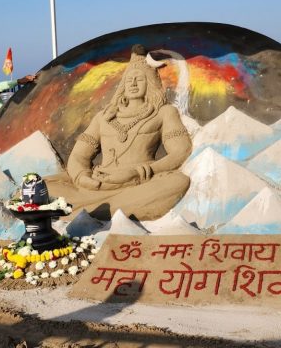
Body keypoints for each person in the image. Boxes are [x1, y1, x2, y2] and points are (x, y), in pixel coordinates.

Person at [47, 44, 192, 220]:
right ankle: (107, 210)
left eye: (139, 79)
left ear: (150, 82)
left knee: (177, 182)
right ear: (123, 84)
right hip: (98, 184)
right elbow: (79, 156)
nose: (133, 84)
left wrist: (138, 172)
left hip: (138, 184)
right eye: (129, 80)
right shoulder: (103, 116)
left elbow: (180, 152)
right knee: (38, 189)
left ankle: (90, 211)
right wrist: (82, 177)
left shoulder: (164, 112)